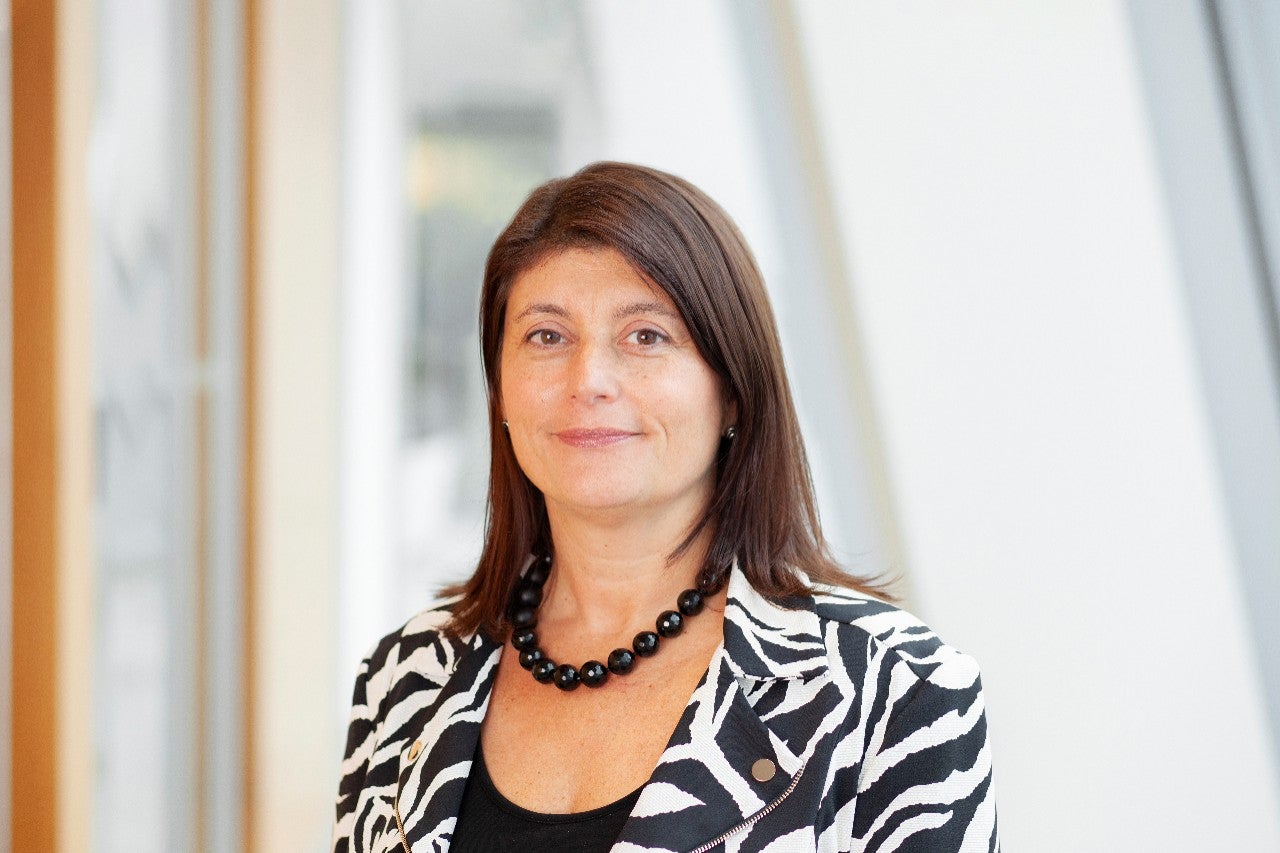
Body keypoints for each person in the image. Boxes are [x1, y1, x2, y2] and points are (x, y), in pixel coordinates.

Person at [332, 162, 999, 852]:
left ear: (732, 389)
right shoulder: (406, 679)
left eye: (646, 335)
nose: (589, 380)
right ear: (499, 389)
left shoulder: (894, 688)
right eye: (547, 336)